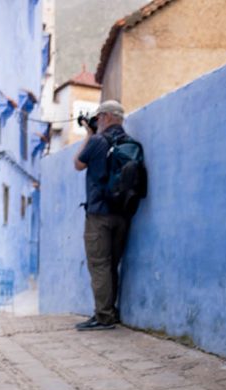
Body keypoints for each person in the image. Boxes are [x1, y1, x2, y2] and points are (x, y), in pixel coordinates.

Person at [73, 99, 129, 331]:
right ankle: (111, 311)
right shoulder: (129, 142)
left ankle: (104, 316)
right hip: (123, 215)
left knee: (99, 265)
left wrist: (89, 133)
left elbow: (78, 164)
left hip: (98, 213)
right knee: (112, 264)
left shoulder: (97, 141)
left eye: (99, 118)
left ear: (105, 117)